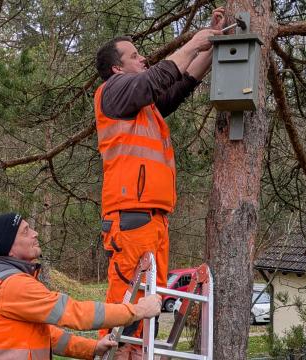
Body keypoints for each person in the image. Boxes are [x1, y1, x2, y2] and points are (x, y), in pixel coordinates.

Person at [94, 7, 225, 354]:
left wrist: (211, 46)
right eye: (134, 56)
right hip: (132, 217)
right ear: (116, 68)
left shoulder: (143, 106)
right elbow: (157, 78)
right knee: (127, 306)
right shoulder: (114, 92)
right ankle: (116, 353)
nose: (143, 59)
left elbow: (179, 83)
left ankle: (136, 354)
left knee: (150, 307)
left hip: (154, 220)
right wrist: (195, 40)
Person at [0, 212, 162, 360]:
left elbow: (45, 334)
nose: (35, 233)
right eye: (25, 231)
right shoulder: (13, 285)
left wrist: (92, 348)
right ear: (10, 249)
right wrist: (137, 310)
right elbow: (74, 312)